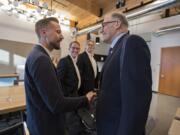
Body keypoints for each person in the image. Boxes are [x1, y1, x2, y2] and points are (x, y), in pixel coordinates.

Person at [24, 17, 96, 135]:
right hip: (46, 127)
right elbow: (56, 104)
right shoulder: (41, 59)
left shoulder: (37, 55)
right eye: (58, 32)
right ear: (44, 32)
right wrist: (85, 99)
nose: (62, 36)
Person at [96, 12, 152, 135]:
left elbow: (137, 101)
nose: (101, 30)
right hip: (108, 124)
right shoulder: (116, 48)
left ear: (117, 24)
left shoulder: (132, 43)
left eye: (104, 25)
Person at [57, 41, 86, 135]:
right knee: (70, 125)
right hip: (67, 97)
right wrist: (65, 96)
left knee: (74, 122)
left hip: (74, 95)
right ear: (69, 49)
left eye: (77, 48)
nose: (75, 50)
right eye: (73, 48)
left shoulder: (75, 62)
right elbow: (58, 81)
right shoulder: (64, 61)